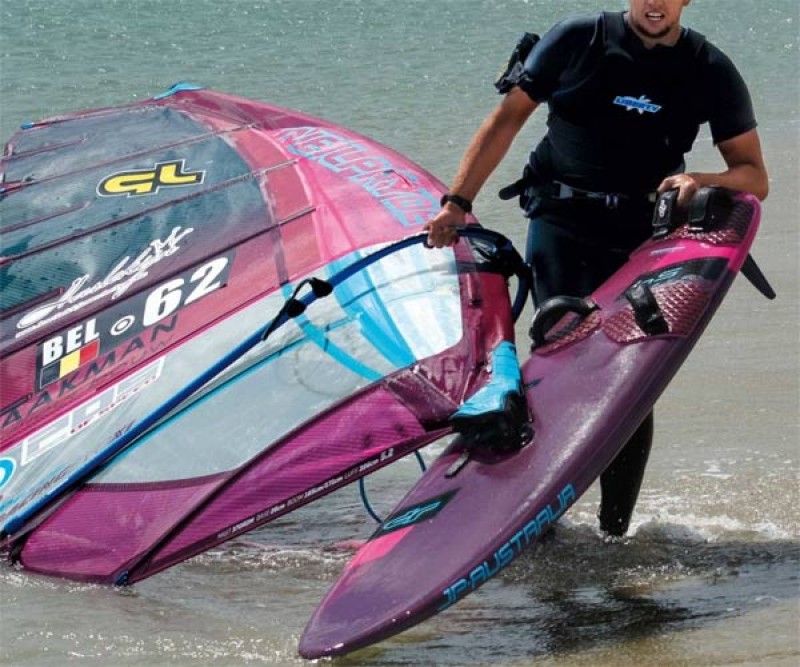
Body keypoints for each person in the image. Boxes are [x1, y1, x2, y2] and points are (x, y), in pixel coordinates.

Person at [426, 0, 769, 537]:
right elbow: (506, 120)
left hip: (645, 239)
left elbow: (753, 176)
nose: (655, 3)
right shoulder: (577, 39)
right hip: (562, 219)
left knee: (627, 377)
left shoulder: (709, 69)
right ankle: (536, 516)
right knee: (562, 357)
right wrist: (456, 201)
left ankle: (613, 532)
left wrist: (699, 178)